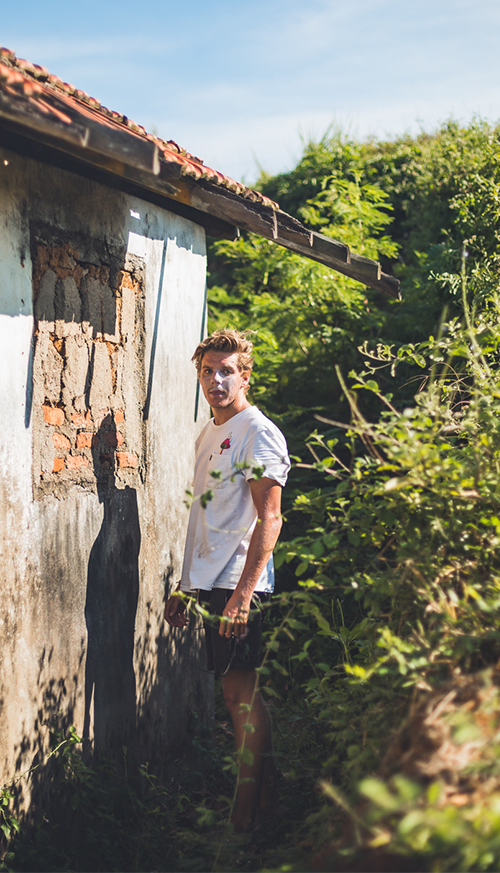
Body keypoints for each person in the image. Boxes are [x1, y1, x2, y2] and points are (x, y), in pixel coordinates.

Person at [163, 329, 289, 833]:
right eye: (207, 371)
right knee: (238, 697)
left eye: (226, 371)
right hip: (214, 586)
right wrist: (186, 585)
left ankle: (243, 823)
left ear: (245, 375)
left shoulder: (258, 431)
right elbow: (209, 520)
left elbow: (270, 519)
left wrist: (240, 596)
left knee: (240, 699)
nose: (215, 381)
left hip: (240, 586)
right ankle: (263, 805)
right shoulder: (210, 432)